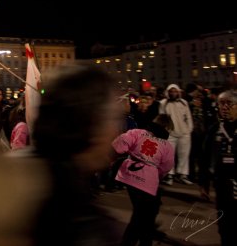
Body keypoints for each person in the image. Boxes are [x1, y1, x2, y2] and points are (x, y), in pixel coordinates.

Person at [31, 63, 125, 245]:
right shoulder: (87, 229)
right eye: (112, 119)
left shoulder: (20, 183)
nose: (116, 132)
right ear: (89, 122)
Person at [112, 114, 175, 245]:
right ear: (167, 128)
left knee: (142, 213)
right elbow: (166, 166)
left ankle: (143, 240)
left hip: (128, 176)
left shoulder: (138, 132)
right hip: (147, 181)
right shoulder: (166, 146)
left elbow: (120, 143)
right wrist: (156, 175)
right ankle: (135, 241)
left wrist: (117, 153)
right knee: (143, 215)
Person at [199, 90, 237, 246]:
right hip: (222, 184)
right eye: (221, 103)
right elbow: (204, 157)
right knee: (224, 224)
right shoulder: (214, 129)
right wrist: (204, 184)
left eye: (229, 103)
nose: (224, 107)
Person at [159, 84, 194, 185]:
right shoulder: (163, 103)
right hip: (171, 134)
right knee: (169, 156)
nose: (173, 93)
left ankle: (182, 174)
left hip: (184, 133)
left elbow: (188, 117)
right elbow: (162, 118)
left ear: (178, 92)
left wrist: (189, 130)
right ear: (168, 92)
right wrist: (166, 131)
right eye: (171, 91)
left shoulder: (184, 103)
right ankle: (170, 175)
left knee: (184, 155)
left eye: (175, 91)